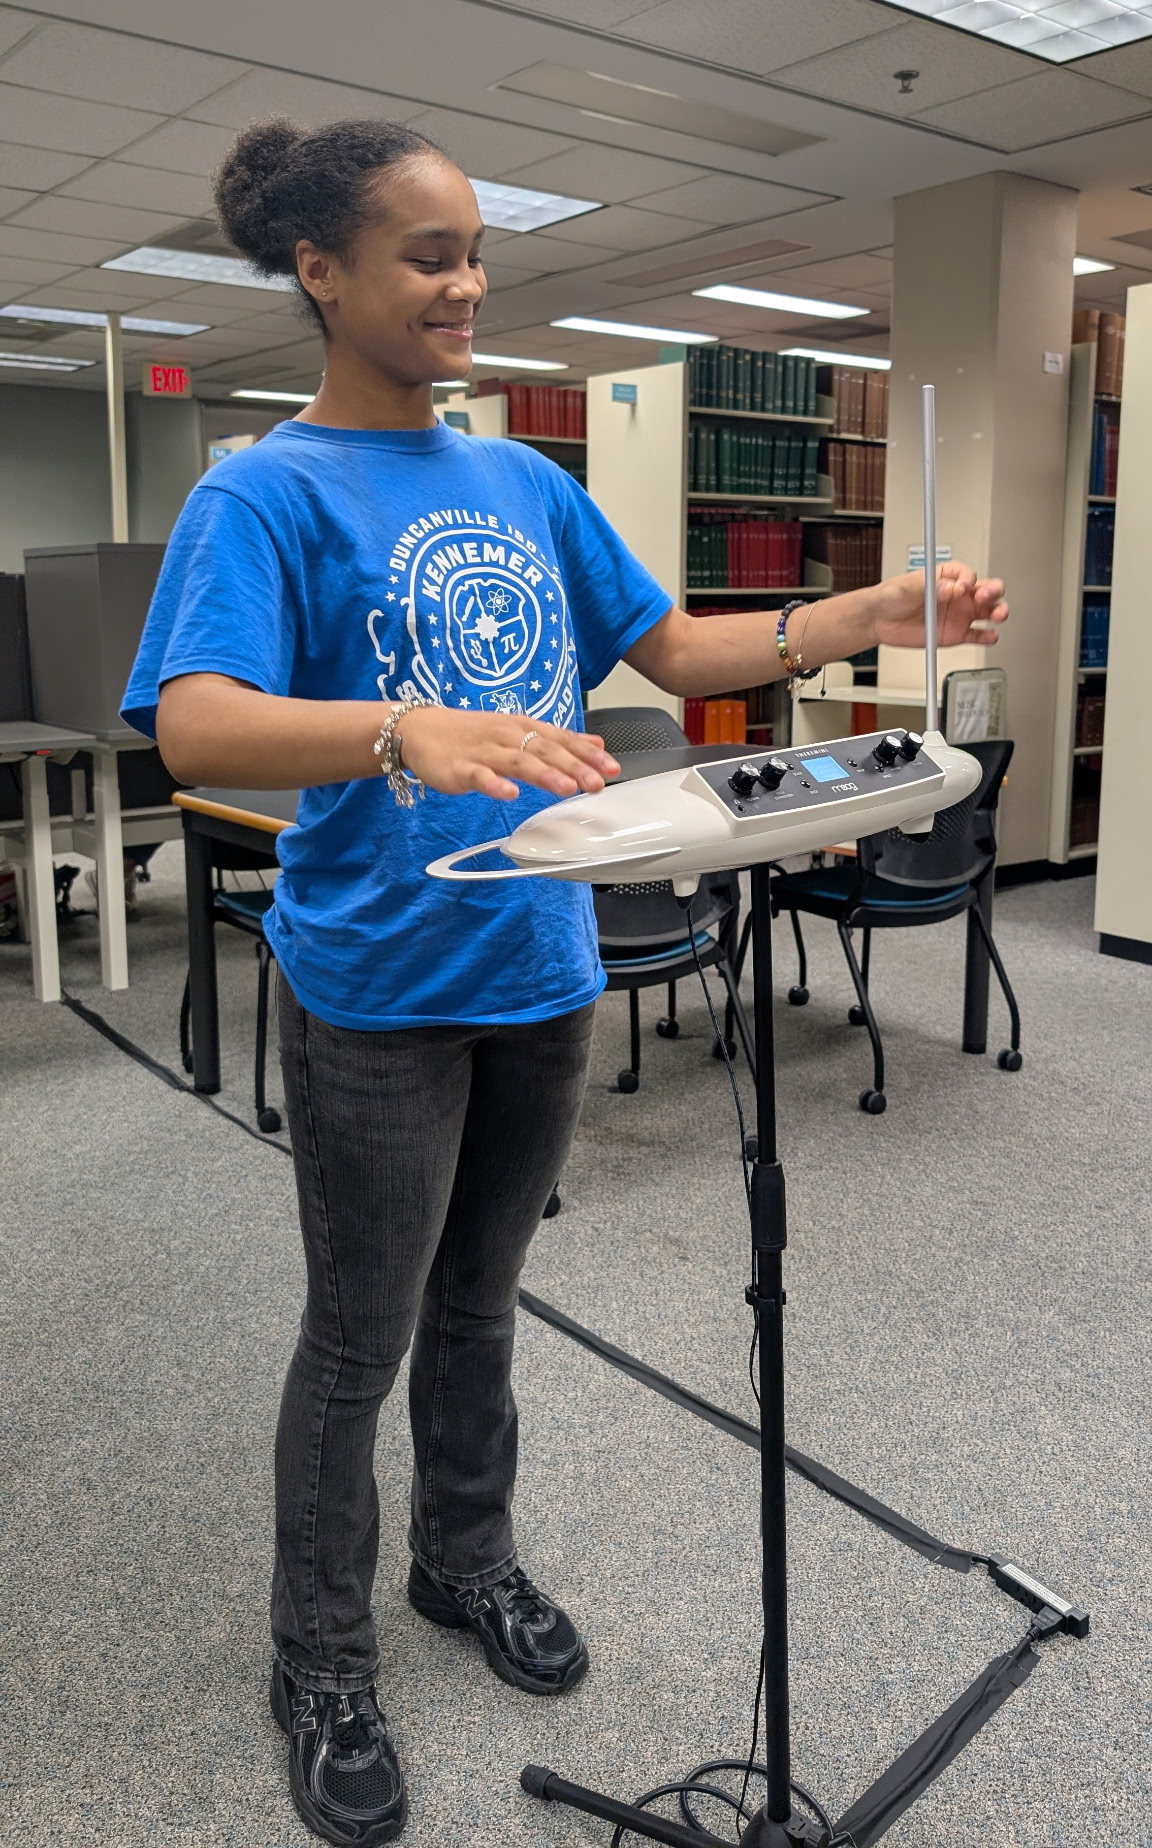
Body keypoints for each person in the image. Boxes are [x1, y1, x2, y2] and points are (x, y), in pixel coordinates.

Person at [122, 115, 1008, 1848]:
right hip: (377, 980)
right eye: (426, 256)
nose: (464, 285)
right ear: (321, 273)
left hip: (542, 965)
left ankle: (468, 1563)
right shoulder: (263, 491)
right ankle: (319, 1656)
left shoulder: (523, 484)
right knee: (360, 1336)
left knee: (481, 1306)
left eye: (474, 255)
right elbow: (193, 726)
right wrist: (399, 730)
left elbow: (679, 651)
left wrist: (873, 608)